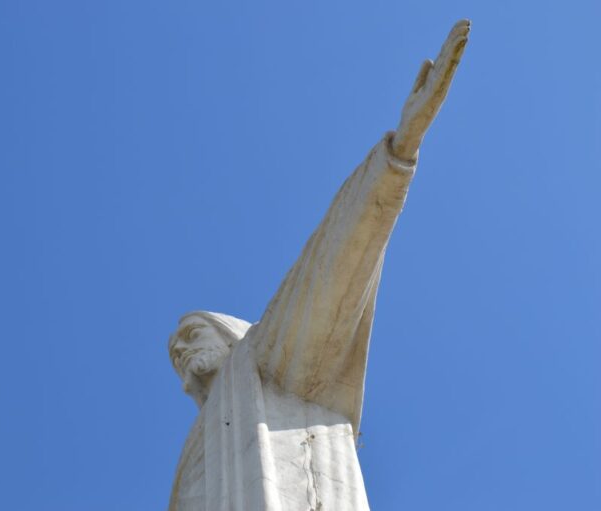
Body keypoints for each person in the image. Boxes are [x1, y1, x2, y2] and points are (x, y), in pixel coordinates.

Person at [167, 20, 470, 511]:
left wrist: (399, 153)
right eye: (175, 349)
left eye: (189, 333)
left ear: (228, 332)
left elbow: (330, 268)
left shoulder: (265, 356)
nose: (180, 350)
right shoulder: (191, 455)